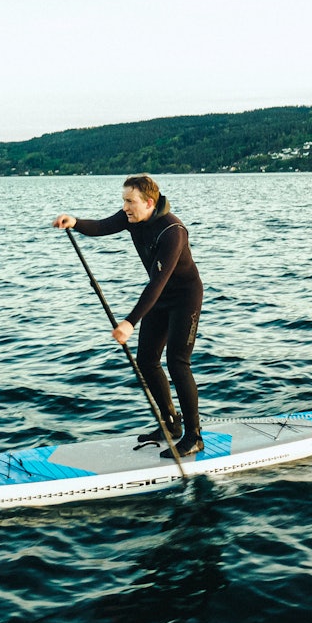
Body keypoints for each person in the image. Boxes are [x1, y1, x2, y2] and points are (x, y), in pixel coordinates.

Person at [53, 174, 205, 457]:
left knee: (177, 362)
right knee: (147, 360)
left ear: (148, 202)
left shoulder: (173, 231)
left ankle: (194, 436)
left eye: (129, 201)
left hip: (185, 299)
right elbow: (101, 226)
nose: (124, 207)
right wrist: (74, 222)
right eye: (123, 200)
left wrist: (129, 322)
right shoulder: (132, 217)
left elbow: (157, 283)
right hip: (158, 300)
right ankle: (171, 425)